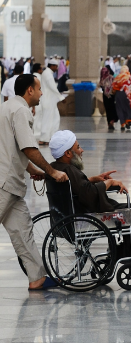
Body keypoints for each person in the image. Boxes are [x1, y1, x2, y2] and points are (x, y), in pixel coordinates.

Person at [1, 74, 67, 290]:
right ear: (29, 90)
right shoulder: (20, 111)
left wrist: (32, 170)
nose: (41, 94)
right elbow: (28, 147)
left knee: (23, 229)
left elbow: (12, 147)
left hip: (11, 183)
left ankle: (37, 277)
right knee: (23, 230)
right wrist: (52, 171)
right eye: (39, 89)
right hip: (4, 182)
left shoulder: (7, 107)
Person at [47, 129, 131, 240]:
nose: (82, 150)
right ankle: (128, 253)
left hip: (65, 218)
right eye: (78, 147)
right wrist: (109, 182)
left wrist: (93, 180)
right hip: (83, 217)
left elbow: (76, 187)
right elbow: (89, 194)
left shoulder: (55, 168)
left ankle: (122, 251)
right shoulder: (69, 169)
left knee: (126, 208)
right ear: (67, 153)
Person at [34, 64, 65, 145]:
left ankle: (51, 137)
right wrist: (61, 98)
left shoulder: (47, 73)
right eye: (56, 66)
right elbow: (52, 87)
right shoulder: (47, 74)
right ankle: (43, 138)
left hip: (50, 100)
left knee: (55, 118)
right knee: (47, 119)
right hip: (47, 100)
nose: (57, 68)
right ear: (52, 66)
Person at [112, 63, 131, 131]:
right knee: (128, 108)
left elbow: (114, 87)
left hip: (119, 94)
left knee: (119, 109)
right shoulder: (129, 77)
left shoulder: (117, 77)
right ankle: (128, 121)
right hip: (128, 95)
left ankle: (122, 123)